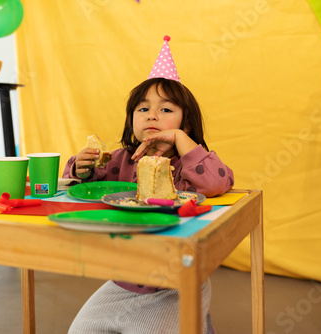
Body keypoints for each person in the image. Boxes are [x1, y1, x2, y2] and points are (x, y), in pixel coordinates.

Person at [63, 37, 234, 334]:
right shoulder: (120, 160)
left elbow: (219, 181)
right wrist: (81, 168)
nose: (153, 115)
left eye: (167, 110)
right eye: (143, 109)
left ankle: (199, 324)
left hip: (177, 282)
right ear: (132, 121)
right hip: (123, 280)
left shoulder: (191, 164)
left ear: (187, 125)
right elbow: (82, 185)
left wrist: (182, 141)